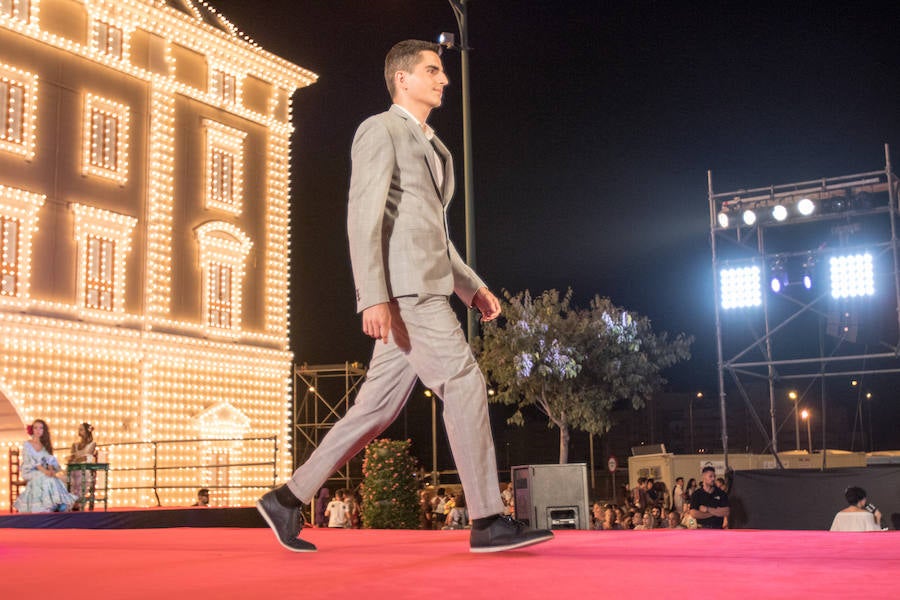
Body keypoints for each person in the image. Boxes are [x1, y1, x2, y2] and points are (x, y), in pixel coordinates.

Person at [255, 39, 553, 554]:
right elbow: (363, 218)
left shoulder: (435, 146)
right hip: (408, 293)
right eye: (433, 71)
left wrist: (472, 286)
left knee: (375, 411)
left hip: (426, 284)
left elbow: (430, 233)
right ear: (402, 79)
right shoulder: (379, 130)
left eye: (442, 72)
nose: (444, 80)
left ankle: (287, 498)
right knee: (461, 382)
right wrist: (371, 295)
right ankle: (487, 520)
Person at [14, 419, 77, 513]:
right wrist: (46, 472)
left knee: (54, 478)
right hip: (30, 471)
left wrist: (51, 470)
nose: (38, 430)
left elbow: (49, 460)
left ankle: (58, 503)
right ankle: (45, 506)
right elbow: (32, 462)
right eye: (36, 428)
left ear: (44, 431)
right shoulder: (27, 444)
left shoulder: (44, 446)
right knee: (44, 477)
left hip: (43, 470)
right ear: (32, 430)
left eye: (41, 428)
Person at [66, 422, 97, 509]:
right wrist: (72, 458)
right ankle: (71, 502)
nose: (79, 431)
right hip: (74, 468)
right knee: (67, 477)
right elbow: (73, 456)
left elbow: (87, 457)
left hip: (84, 469)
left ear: (87, 431)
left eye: (81, 429)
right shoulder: (75, 445)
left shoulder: (92, 444)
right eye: (79, 429)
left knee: (83, 475)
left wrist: (77, 458)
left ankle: (78, 503)